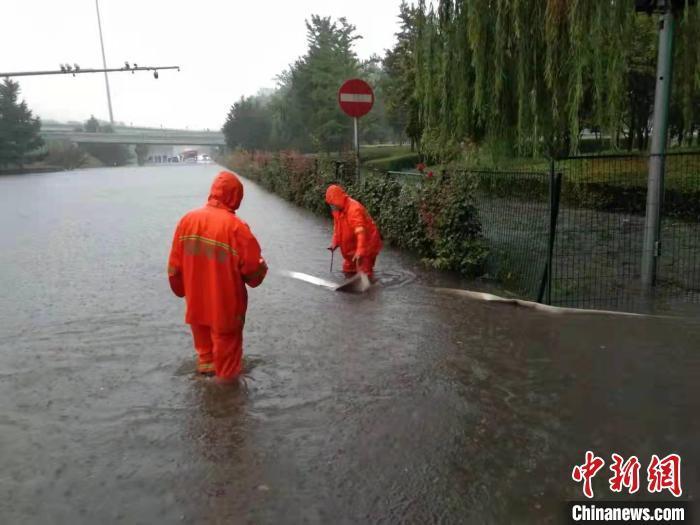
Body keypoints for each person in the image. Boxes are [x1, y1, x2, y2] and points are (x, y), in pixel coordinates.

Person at [167, 170, 267, 384]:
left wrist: (181, 291)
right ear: (235, 196)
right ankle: (227, 408)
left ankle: (206, 400)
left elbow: (174, 268)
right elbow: (253, 274)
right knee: (228, 369)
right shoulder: (237, 228)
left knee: (206, 360)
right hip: (225, 309)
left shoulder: (187, 221)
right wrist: (262, 268)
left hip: (197, 307)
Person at [325, 184, 382, 279]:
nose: (331, 206)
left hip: (367, 244)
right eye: (330, 204)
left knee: (365, 272)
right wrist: (335, 243)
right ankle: (353, 289)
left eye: (332, 204)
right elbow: (337, 227)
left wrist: (360, 250)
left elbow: (360, 232)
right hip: (352, 247)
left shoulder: (354, 209)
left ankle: (369, 290)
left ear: (337, 200)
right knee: (348, 269)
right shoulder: (337, 210)